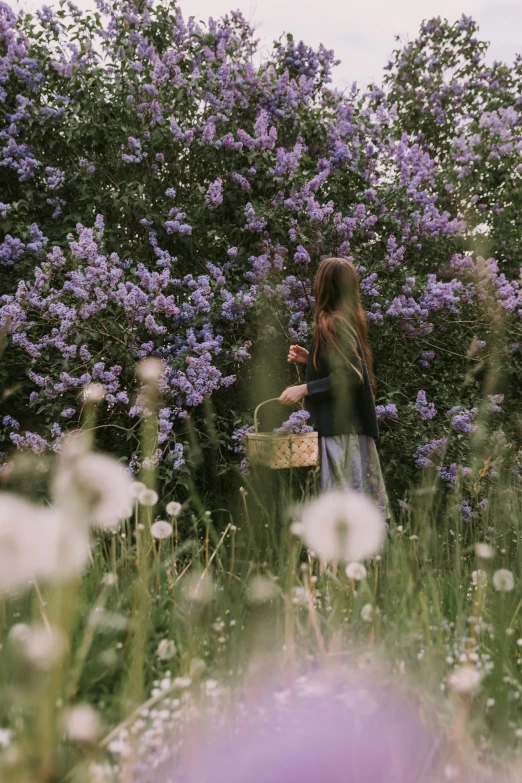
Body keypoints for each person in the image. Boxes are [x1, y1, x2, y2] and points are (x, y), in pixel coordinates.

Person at [279, 257, 389, 517]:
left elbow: (350, 375)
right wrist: (312, 359)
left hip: (339, 435)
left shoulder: (332, 322)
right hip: (351, 431)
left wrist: (303, 389)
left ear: (323, 286)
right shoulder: (346, 320)